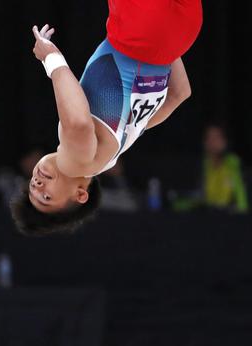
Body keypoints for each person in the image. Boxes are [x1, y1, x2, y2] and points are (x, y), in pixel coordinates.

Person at [11, 0, 202, 235]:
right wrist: (50, 58)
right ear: (81, 194)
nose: (38, 184)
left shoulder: (114, 150)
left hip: (179, 34)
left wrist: (166, 43)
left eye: (32, 188)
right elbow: (78, 124)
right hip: (137, 30)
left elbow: (180, 93)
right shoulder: (73, 163)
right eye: (46, 197)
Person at [199, 124, 248, 213]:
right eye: (209, 137)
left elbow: (241, 195)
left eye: (217, 137)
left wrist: (242, 212)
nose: (212, 142)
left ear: (225, 141)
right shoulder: (202, 164)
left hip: (229, 215)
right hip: (205, 214)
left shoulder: (232, 162)